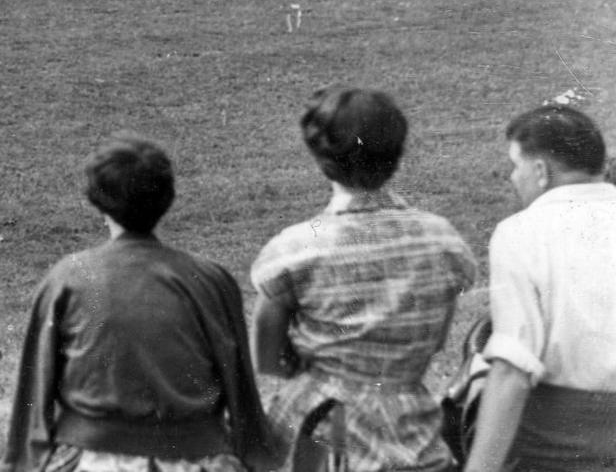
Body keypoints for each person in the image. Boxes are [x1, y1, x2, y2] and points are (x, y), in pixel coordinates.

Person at [8, 135, 278, 472]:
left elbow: (34, 389)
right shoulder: (211, 279)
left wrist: (23, 464)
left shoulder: (68, 277)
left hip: (96, 459)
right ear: (168, 197)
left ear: (96, 200)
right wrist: (256, 458)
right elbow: (242, 390)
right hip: (196, 460)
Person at [250, 89, 475, 471]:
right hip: (411, 432)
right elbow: (435, 340)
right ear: (397, 154)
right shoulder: (444, 241)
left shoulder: (295, 249)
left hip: (323, 433)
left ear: (322, 159)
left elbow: (267, 358)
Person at [463, 105, 616, 472]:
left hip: (562, 444)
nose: (513, 177)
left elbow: (512, 371)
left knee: (475, 374)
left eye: (516, 166)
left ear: (540, 171)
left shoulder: (520, 233)